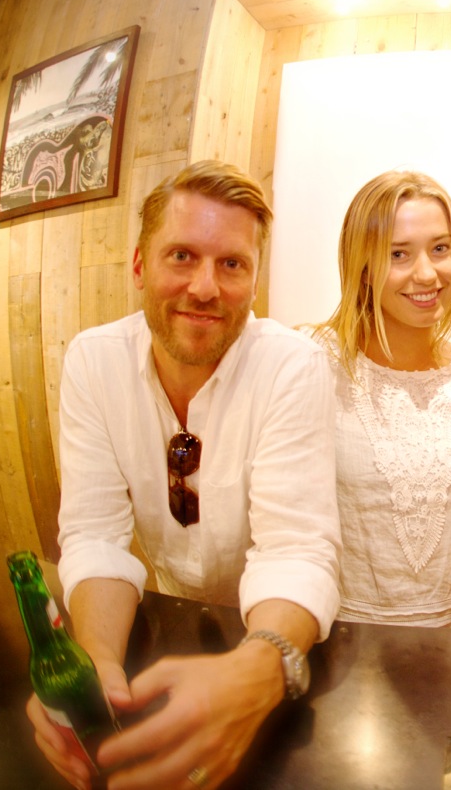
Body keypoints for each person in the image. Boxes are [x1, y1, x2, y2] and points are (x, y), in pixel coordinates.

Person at [28, 160, 341, 790]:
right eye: (182, 256)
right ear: (139, 266)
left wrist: (261, 666)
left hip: (286, 631)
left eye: (232, 264)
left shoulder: (292, 366)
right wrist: (96, 666)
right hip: (171, 621)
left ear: (254, 280)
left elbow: (297, 547)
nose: (205, 288)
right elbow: (95, 535)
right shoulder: (93, 363)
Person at [307, 170, 451, 627]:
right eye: (398, 254)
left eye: (440, 248)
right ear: (362, 268)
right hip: (348, 632)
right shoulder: (315, 362)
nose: (427, 273)